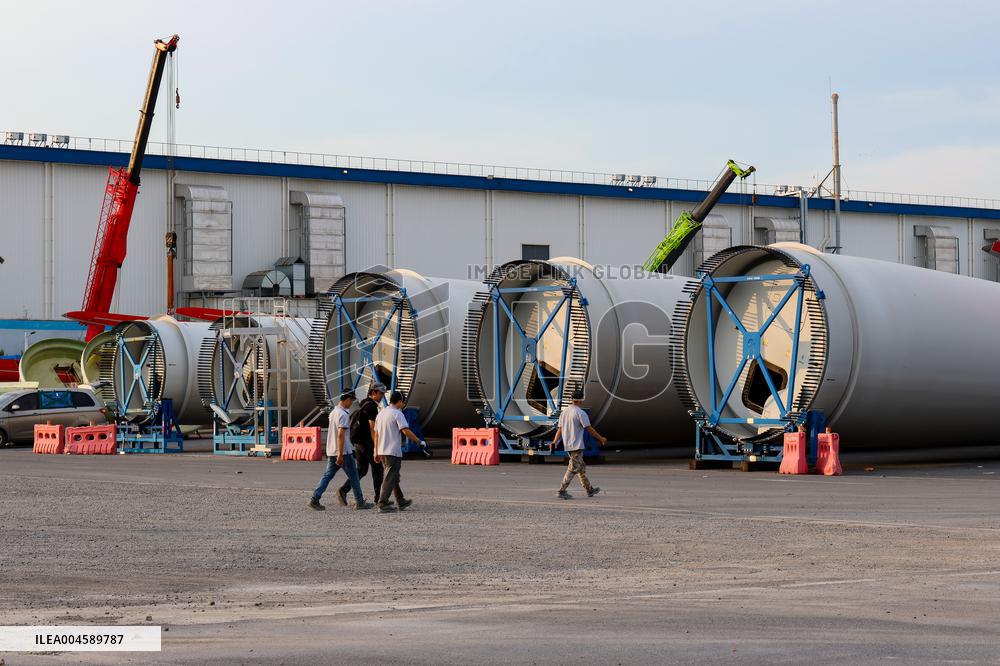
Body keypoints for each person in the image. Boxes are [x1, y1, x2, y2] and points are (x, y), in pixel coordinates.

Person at [309, 390, 374, 511]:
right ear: (347, 399)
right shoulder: (343, 415)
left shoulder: (334, 412)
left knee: (327, 475)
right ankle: (359, 502)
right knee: (354, 477)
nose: (351, 403)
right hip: (343, 452)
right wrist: (340, 454)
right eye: (351, 400)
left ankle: (315, 498)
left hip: (332, 450)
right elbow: (340, 435)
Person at [373, 391, 425, 513]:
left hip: (382, 450)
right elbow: (405, 431)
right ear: (400, 401)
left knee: (393, 477)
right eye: (403, 402)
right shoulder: (397, 413)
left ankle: (400, 500)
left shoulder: (381, 413)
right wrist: (419, 441)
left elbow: (376, 434)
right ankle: (383, 503)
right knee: (390, 477)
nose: (404, 404)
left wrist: (376, 451)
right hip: (393, 451)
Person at [552, 389, 607, 500]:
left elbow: (560, 429)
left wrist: (554, 442)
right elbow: (589, 429)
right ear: (582, 400)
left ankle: (589, 489)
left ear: (571, 399)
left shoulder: (564, 413)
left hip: (568, 445)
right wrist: (600, 438)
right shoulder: (580, 413)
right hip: (576, 445)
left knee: (580, 468)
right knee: (572, 469)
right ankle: (561, 490)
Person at [337, 383, 386, 506]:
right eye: (380, 393)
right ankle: (379, 498)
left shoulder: (363, 403)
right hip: (367, 443)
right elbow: (372, 428)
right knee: (378, 469)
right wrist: (376, 447)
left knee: (361, 470)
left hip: (358, 443)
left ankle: (343, 490)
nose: (382, 396)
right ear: (373, 392)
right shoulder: (371, 407)